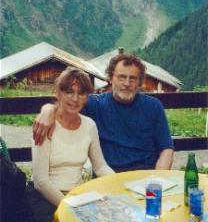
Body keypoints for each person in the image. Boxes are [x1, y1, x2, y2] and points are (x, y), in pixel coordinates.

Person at [33, 53, 174, 173]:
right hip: (107, 176)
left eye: (133, 78)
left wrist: (158, 180)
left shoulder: (153, 106)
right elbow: (68, 103)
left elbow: (166, 149)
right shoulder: (95, 104)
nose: (127, 83)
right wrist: (48, 109)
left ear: (140, 82)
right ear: (110, 78)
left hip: (144, 176)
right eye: (121, 77)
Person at [29, 67, 114, 222]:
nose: (75, 99)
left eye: (81, 93)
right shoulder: (46, 123)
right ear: (58, 93)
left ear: (87, 97)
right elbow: (40, 182)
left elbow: (100, 166)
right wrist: (70, 206)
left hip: (77, 195)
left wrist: (118, 181)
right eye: (69, 92)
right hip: (47, 200)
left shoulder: (89, 125)